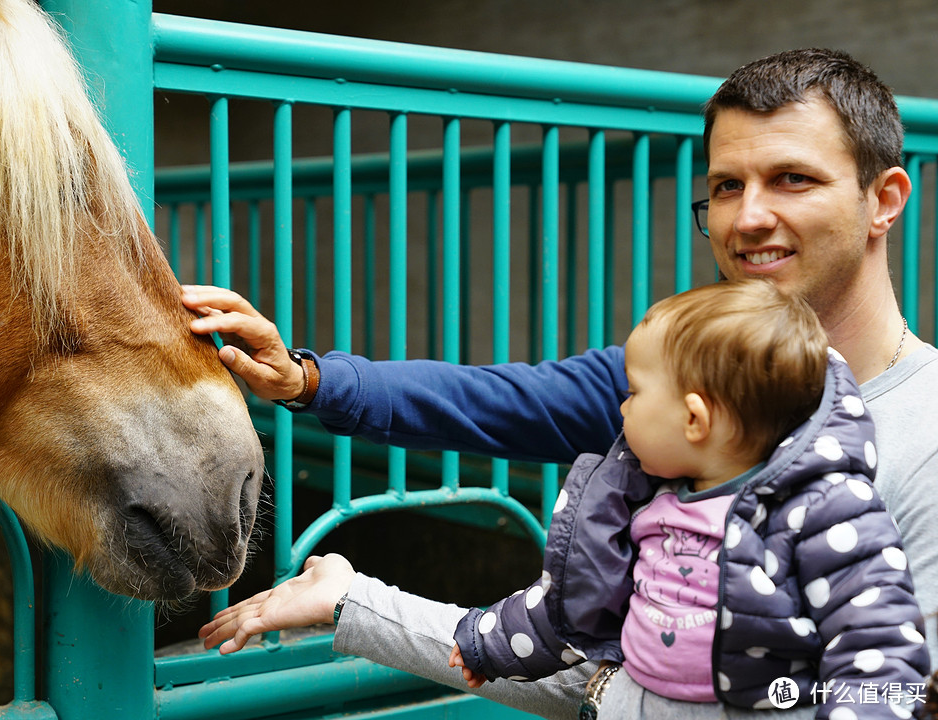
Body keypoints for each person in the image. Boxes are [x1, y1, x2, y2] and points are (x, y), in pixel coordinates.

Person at [190, 48, 938, 719]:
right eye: (726, 186)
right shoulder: (676, 389)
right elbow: (506, 406)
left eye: (792, 180)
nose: (747, 217)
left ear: (885, 198)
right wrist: (304, 380)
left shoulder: (925, 435)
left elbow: (891, 692)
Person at [443, 280, 927, 718]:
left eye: (634, 392)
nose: (622, 407)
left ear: (694, 420)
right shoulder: (645, 493)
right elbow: (579, 602)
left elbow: (875, 646)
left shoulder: (821, 508)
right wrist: (493, 643)